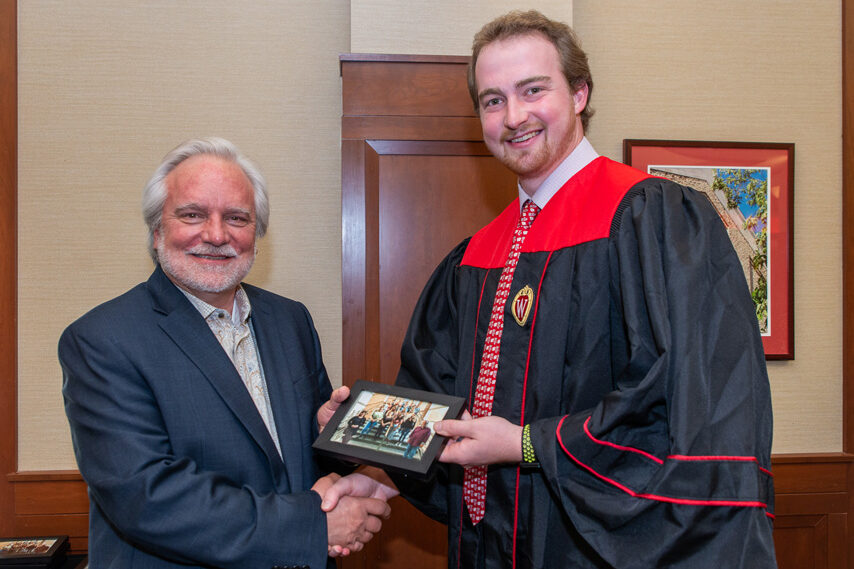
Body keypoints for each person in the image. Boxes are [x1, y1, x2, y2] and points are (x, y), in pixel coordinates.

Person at [323, 10, 776, 569]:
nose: (514, 116)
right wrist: (378, 459)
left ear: (580, 92)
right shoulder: (474, 257)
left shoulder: (651, 219)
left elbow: (686, 408)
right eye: (493, 100)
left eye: (533, 90)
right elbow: (442, 404)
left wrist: (527, 444)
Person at [60, 137, 396, 569]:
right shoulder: (101, 339)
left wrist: (337, 442)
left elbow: (292, 460)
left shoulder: (289, 320)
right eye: (193, 215)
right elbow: (147, 497)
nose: (216, 235)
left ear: (256, 233)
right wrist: (312, 526)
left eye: (237, 218)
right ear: (158, 228)